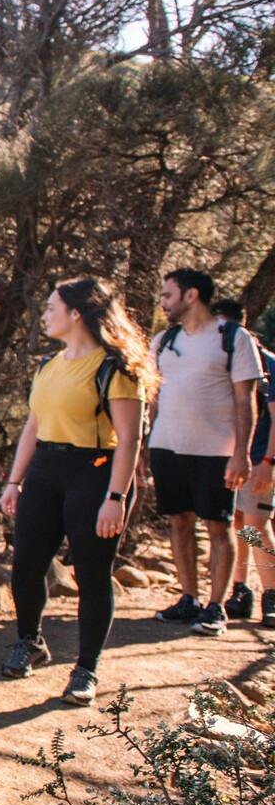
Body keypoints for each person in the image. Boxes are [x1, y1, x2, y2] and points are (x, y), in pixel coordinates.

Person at [0, 279, 155, 705]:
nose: (45, 315)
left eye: (52, 307)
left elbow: (129, 440)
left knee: (92, 575)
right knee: (27, 566)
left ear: (76, 314)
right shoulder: (49, 365)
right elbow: (32, 426)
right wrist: (14, 481)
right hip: (46, 472)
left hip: (95, 474)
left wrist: (116, 498)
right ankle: (29, 641)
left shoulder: (115, 369)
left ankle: (86, 668)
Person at [147, 268, 263, 635]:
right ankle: (188, 598)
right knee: (179, 521)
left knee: (218, 525)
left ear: (191, 295)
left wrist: (241, 454)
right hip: (167, 445)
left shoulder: (233, 338)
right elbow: (153, 397)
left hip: (216, 451)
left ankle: (216, 607)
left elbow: (246, 402)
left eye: (168, 296)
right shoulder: (162, 342)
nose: (163, 303)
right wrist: (144, 446)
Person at [210, 299, 275, 626]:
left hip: (260, 457)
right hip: (224, 459)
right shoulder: (220, 362)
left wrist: (268, 461)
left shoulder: (268, 363)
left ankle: (271, 595)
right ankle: (241, 592)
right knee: (234, 523)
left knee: (255, 525)